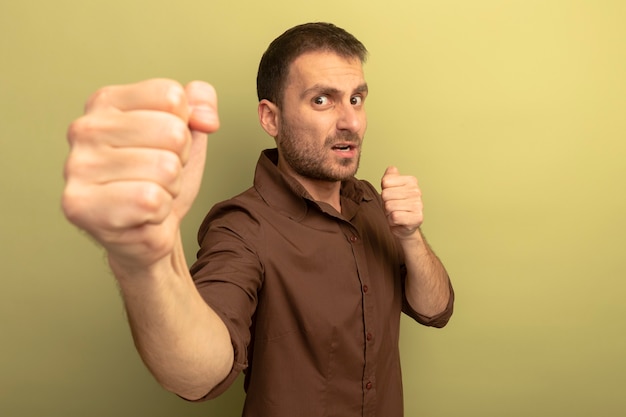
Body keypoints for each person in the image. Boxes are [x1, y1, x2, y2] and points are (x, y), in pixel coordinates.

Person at [62, 22, 454, 417]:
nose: (350, 121)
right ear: (271, 118)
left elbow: (436, 310)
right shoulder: (243, 226)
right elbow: (199, 374)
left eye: (356, 99)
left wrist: (410, 236)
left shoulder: (373, 201)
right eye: (322, 100)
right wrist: (145, 266)